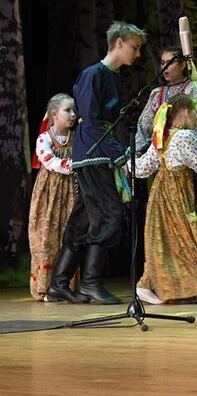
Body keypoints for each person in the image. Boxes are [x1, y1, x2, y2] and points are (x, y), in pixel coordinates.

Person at [46, 20, 146, 304]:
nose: (136, 55)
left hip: (97, 151)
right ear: (118, 43)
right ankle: (90, 283)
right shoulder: (93, 75)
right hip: (93, 154)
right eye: (134, 48)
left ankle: (59, 284)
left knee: (85, 220)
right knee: (109, 215)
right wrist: (119, 154)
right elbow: (90, 120)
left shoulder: (111, 77)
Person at [131, 94, 197, 304]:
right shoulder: (185, 136)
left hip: (160, 194)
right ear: (186, 112)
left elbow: (142, 168)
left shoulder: (162, 136)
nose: (196, 117)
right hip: (177, 193)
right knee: (187, 237)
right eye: (195, 112)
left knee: (166, 239)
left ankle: (147, 284)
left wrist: (127, 164)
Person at [28, 94, 77, 301]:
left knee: (68, 233)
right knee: (46, 234)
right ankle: (44, 287)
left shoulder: (76, 137)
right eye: (68, 111)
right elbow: (50, 161)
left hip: (70, 192)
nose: (73, 115)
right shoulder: (44, 138)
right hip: (49, 192)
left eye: (74, 111)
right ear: (54, 114)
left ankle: (64, 284)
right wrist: (74, 165)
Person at [135, 47, 197, 154]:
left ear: (182, 65)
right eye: (163, 63)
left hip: (184, 151)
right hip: (158, 153)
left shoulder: (193, 88)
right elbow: (143, 127)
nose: (165, 67)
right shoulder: (156, 93)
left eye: (169, 63)